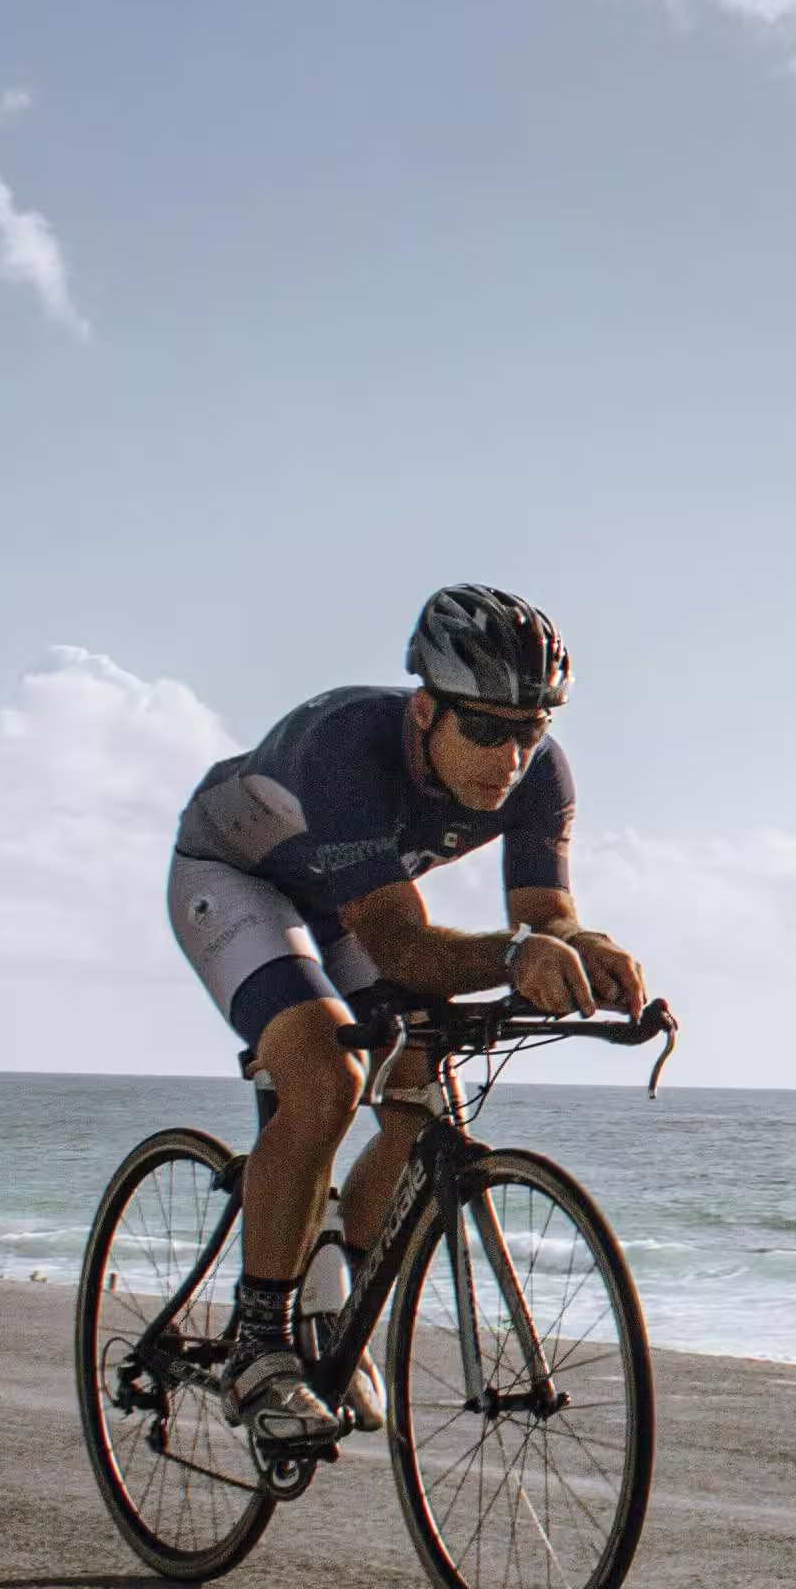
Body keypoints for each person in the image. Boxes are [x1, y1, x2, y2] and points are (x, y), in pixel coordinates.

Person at [163, 585, 648, 1430]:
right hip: (236, 881)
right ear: (425, 710)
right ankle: (260, 1345)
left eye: (530, 732)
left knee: (421, 1092)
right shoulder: (346, 747)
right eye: (487, 730)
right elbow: (402, 947)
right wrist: (508, 956)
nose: (510, 758)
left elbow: (545, 915)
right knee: (324, 1077)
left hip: (347, 906)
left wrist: (588, 948)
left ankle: (332, 1309)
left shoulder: (538, 773)